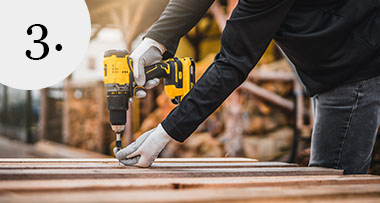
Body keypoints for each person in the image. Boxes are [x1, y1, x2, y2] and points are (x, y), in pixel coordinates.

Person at [114, 0, 380, 174]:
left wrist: (164, 134)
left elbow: (233, 62)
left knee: (331, 182)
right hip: (330, 63)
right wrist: (156, 41)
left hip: (355, 64)